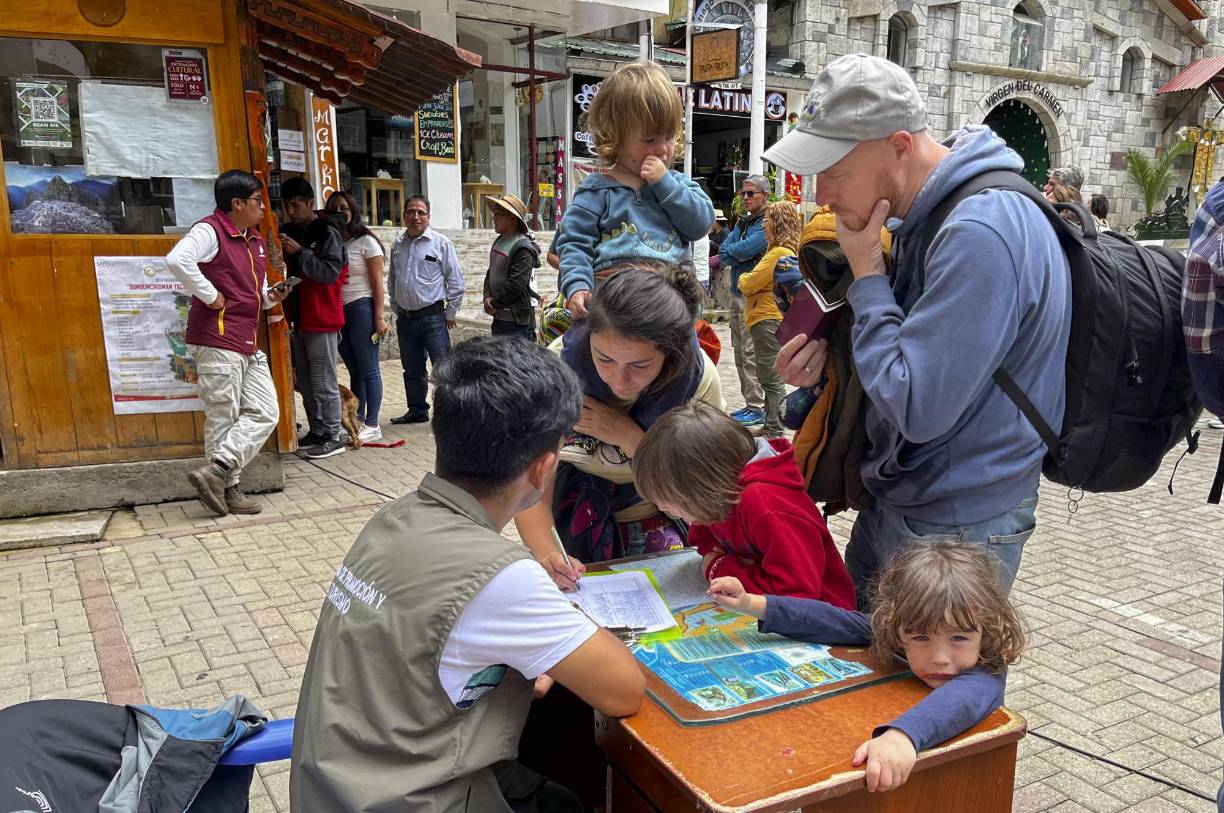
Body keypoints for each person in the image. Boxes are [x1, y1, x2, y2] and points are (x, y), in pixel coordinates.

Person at [290, 335, 645, 812]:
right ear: (544, 469)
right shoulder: (501, 575)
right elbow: (624, 690)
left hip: (337, 789)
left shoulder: (394, 517)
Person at [764, 53, 1071, 599]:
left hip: (955, 524)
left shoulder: (980, 232)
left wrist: (867, 273)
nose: (822, 195)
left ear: (899, 145)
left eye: (835, 173)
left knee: (919, 659)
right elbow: (914, 355)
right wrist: (830, 362)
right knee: (856, 645)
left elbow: (917, 405)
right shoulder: (923, 213)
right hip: (909, 494)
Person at [708, 540, 1024, 793]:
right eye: (921, 637)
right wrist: (752, 603)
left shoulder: (985, 671)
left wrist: (902, 736)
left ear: (986, 629)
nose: (940, 657)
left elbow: (962, 699)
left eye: (958, 638)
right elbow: (836, 621)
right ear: (897, 626)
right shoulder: (896, 631)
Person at [513, 264, 725, 587]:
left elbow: (703, 491)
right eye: (604, 359)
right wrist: (548, 555)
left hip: (663, 508)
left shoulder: (698, 381)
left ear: (669, 354)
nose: (619, 380)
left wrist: (628, 436)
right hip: (572, 505)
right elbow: (528, 490)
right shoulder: (555, 373)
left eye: (640, 365)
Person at [633, 402, 856, 607]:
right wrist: (723, 563)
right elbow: (704, 540)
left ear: (701, 487)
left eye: (671, 502)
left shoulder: (767, 506)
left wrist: (720, 568)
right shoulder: (716, 499)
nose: (662, 509)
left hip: (823, 619)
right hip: (768, 610)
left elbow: (796, 595)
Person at [166, 170, 287, 516]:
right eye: (257, 201)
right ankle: (228, 489)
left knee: (266, 411)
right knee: (223, 415)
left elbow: (254, 295)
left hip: (245, 339)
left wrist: (271, 297)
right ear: (237, 203)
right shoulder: (210, 230)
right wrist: (210, 295)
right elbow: (177, 260)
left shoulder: (255, 241)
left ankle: (216, 471)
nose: (263, 208)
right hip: (218, 339)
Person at [554, 61, 714, 320]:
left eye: (669, 136)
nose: (662, 149)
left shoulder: (679, 185)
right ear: (614, 136)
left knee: (693, 346)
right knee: (575, 342)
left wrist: (665, 185)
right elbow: (574, 243)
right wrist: (578, 286)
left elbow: (700, 225)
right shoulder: (595, 191)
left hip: (670, 298)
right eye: (649, 139)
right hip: (614, 300)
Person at [279, 176, 348, 460]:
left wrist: (300, 252)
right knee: (305, 382)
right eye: (286, 206)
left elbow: (329, 273)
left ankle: (334, 434)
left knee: (323, 381)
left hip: (322, 316)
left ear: (310, 204)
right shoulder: (286, 231)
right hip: (299, 317)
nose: (291, 212)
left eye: (296, 205)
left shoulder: (327, 231)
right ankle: (318, 430)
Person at [387, 194, 466, 425]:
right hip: (405, 319)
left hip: (433, 318)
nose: (416, 216)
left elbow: (456, 281)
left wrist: (451, 313)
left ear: (428, 217)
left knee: (442, 368)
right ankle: (417, 410)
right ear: (404, 215)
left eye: (421, 212)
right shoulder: (397, 245)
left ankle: (449, 414)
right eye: (411, 212)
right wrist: (396, 306)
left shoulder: (441, 244)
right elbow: (393, 279)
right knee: (412, 369)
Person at [325, 190, 387, 444]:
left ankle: (372, 423)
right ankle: (356, 420)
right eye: (334, 208)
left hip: (362, 307)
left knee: (369, 369)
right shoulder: (332, 241)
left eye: (344, 208)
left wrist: (379, 316)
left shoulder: (366, 242)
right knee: (355, 370)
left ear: (353, 212)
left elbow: (377, 282)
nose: (339, 213)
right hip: (339, 310)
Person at [737, 200, 802, 438]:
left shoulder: (778, 254)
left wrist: (743, 277)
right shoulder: (780, 252)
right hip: (767, 319)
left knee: (770, 377)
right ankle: (770, 424)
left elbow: (748, 283)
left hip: (767, 320)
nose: (763, 225)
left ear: (777, 224)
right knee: (767, 374)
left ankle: (774, 429)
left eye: (766, 220)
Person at [718, 175, 771, 428]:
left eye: (751, 193)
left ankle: (757, 406)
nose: (746, 198)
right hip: (737, 293)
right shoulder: (744, 223)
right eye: (743, 194)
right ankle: (751, 404)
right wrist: (735, 247)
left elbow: (742, 250)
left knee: (750, 352)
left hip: (754, 296)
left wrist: (734, 251)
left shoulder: (766, 224)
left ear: (765, 196)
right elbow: (724, 252)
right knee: (739, 350)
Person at [483, 194, 540, 341]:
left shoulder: (523, 247)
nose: (493, 217)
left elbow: (517, 285)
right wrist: (486, 296)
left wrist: (494, 303)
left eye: (498, 214)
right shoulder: (500, 240)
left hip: (515, 321)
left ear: (512, 219)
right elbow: (491, 272)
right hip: (499, 317)